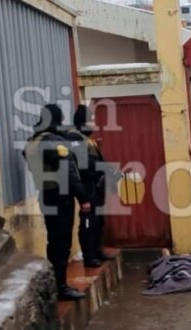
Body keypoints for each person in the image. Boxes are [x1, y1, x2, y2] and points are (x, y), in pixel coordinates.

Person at [23, 104, 89, 300]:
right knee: (62, 243)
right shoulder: (54, 142)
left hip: (46, 195)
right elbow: (68, 173)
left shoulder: (33, 141)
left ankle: (55, 284)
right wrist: (83, 198)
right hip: (61, 197)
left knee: (54, 241)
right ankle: (61, 287)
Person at [67, 105, 122, 268]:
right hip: (86, 185)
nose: (94, 123)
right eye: (91, 120)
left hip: (96, 185)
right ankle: (89, 256)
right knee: (88, 222)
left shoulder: (87, 139)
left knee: (98, 221)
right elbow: (84, 164)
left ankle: (97, 251)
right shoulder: (74, 139)